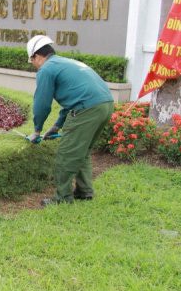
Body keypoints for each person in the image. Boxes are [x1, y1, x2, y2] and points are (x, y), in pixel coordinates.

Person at [25, 35, 114, 206]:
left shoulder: (46, 69)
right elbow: (70, 102)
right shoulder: (65, 62)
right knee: (82, 151)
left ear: (37, 56)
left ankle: (62, 198)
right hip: (106, 105)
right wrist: (57, 126)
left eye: (32, 61)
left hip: (87, 108)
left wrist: (37, 130)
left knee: (66, 153)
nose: (34, 66)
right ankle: (85, 191)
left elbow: (42, 103)